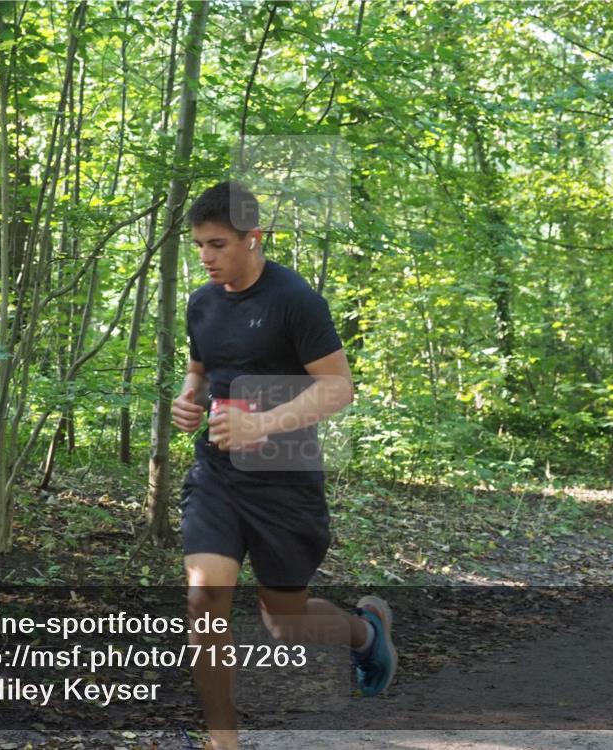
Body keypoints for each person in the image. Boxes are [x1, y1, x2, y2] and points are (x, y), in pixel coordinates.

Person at [171, 181, 397, 750]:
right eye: (199, 245)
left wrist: (261, 424)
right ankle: (224, 742)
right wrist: (189, 398)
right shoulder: (201, 302)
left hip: (285, 482)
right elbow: (200, 367)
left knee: (284, 622)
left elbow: (339, 388)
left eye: (218, 244)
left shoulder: (295, 300)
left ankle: (363, 632)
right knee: (204, 595)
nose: (206, 257)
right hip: (217, 475)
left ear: (254, 238)